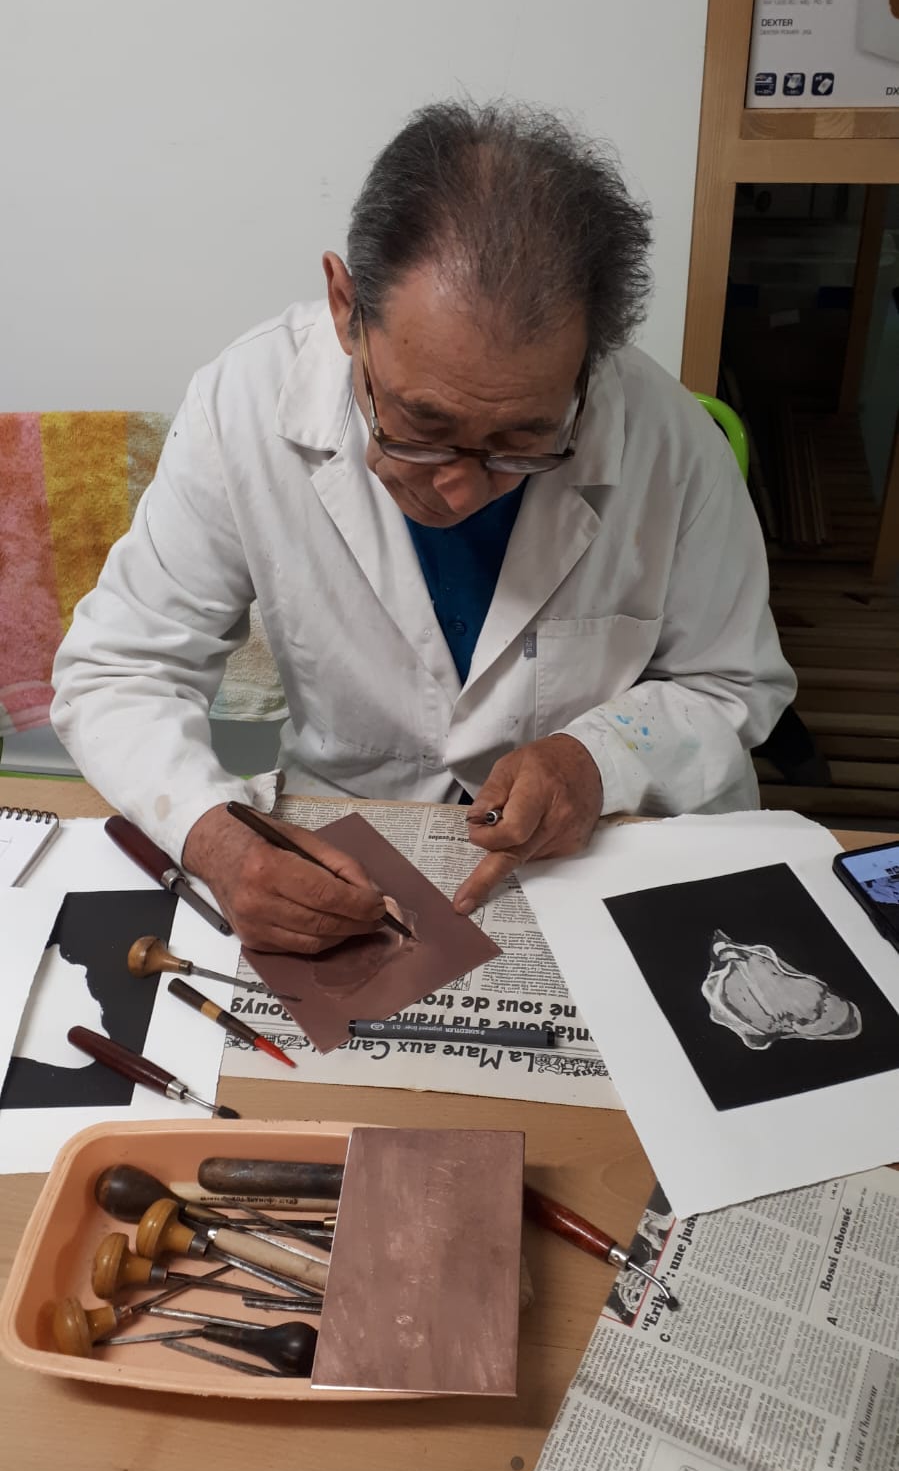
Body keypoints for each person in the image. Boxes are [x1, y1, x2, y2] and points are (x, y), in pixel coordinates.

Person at [52, 101, 796, 956]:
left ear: (588, 363)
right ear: (345, 306)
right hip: (349, 839)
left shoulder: (669, 443)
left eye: (521, 440)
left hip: (593, 853)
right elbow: (119, 668)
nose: (460, 486)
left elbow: (734, 684)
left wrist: (598, 759)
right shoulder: (243, 405)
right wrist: (212, 838)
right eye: (420, 423)